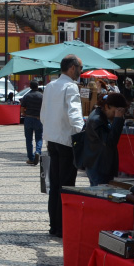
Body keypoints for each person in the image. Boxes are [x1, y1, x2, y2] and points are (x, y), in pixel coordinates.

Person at [41, 55, 85, 238]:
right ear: (73, 68)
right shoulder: (70, 87)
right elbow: (74, 113)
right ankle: (62, 227)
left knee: (55, 184)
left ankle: (54, 226)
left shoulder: (50, 86)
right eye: (81, 68)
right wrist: (82, 133)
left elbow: (44, 114)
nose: (81, 72)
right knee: (66, 186)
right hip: (66, 141)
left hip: (52, 139)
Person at [83, 93, 128, 186]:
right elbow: (110, 142)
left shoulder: (99, 116)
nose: (116, 115)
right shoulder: (97, 120)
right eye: (116, 111)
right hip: (98, 166)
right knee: (100, 195)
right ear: (107, 106)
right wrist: (118, 120)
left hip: (99, 164)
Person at [20, 80, 44, 165]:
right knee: (39, 138)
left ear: (30, 86)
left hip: (28, 119)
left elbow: (22, 110)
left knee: (28, 139)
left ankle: (31, 158)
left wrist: (26, 114)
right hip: (38, 119)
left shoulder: (27, 96)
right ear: (37, 86)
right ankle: (37, 151)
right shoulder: (42, 96)